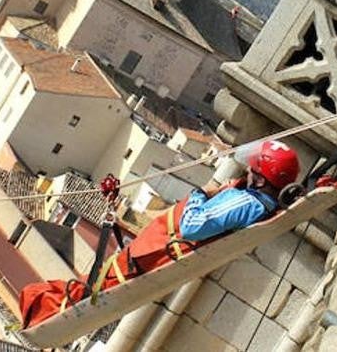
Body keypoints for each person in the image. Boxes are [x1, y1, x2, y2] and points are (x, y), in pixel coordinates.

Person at [19, 140, 300, 328]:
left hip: (158, 250)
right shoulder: (255, 200)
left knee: (93, 289)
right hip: (157, 246)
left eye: (254, 170)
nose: (248, 172)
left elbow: (192, 225)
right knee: (94, 285)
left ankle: (39, 310)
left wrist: (200, 193)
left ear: (262, 179)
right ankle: (39, 308)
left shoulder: (246, 203)